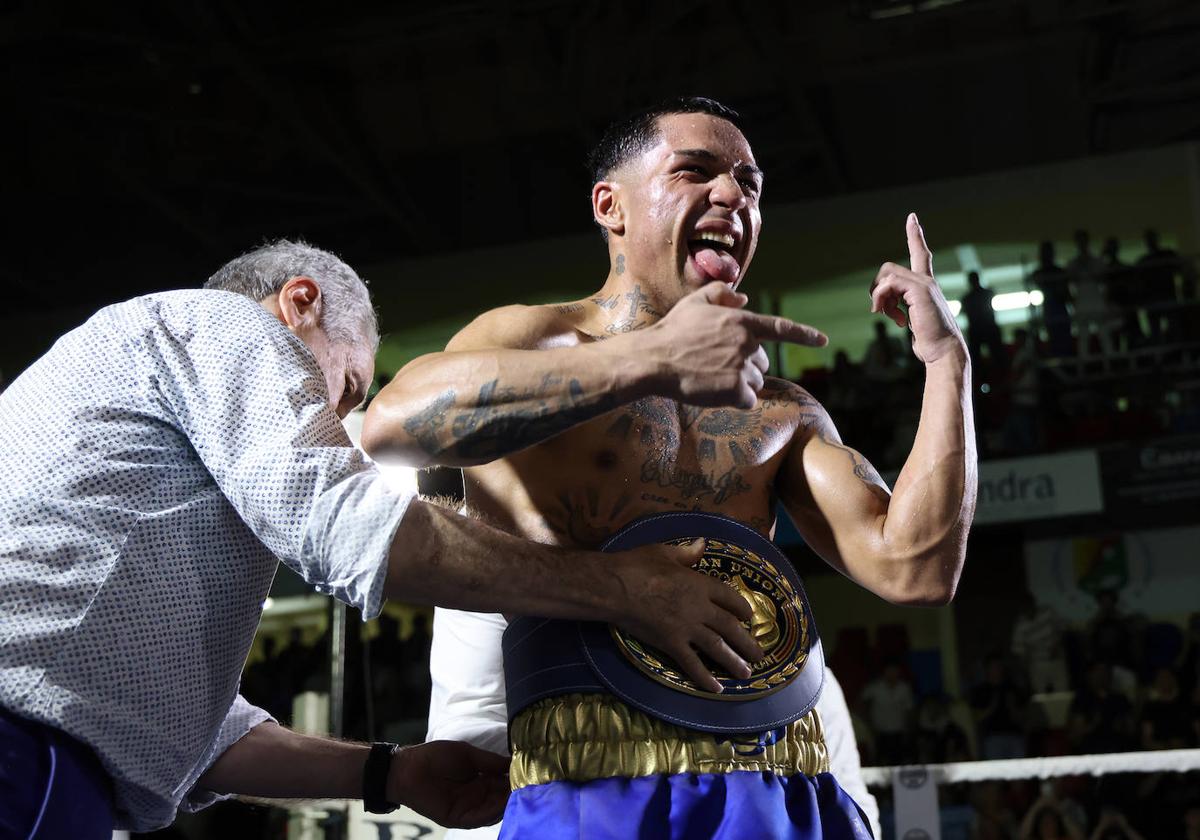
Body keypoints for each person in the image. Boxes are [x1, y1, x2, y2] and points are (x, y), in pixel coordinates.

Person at [0, 240, 767, 836]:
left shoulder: (141, 409)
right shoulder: (227, 327)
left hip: (52, 767)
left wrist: (391, 775)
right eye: (346, 388)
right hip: (21, 752)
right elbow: (352, 524)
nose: (340, 426)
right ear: (301, 304)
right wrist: (627, 588)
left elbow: (200, 742)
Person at [364, 96, 977, 838]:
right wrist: (652, 358)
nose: (733, 195)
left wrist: (947, 363)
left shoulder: (780, 411)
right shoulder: (534, 338)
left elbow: (914, 568)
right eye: (697, 171)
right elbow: (394, 427)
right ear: (610, 205)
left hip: (778, 771)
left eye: (750, 184)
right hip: (591, 772)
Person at [423, 608, 884, 840]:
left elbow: (912, 569)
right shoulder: (506, 516)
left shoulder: (806, 678)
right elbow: (472, 738)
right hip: (574, 793)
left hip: (775, 766)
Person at [1029, 241, 1073, 357]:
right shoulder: (1040, 273)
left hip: (1059, 309)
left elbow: (1066, 294)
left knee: (1064, 340)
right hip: (1050, 309)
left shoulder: (1059, 271)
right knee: (1056, 341)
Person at [960, 270, 1006, 375]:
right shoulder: (987, 293)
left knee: (977, 358)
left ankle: (982, 376)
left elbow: (963, 311)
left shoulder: (968, 298)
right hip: (987, 328)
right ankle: (999, 373)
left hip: (978, 330)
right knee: (995, 354)